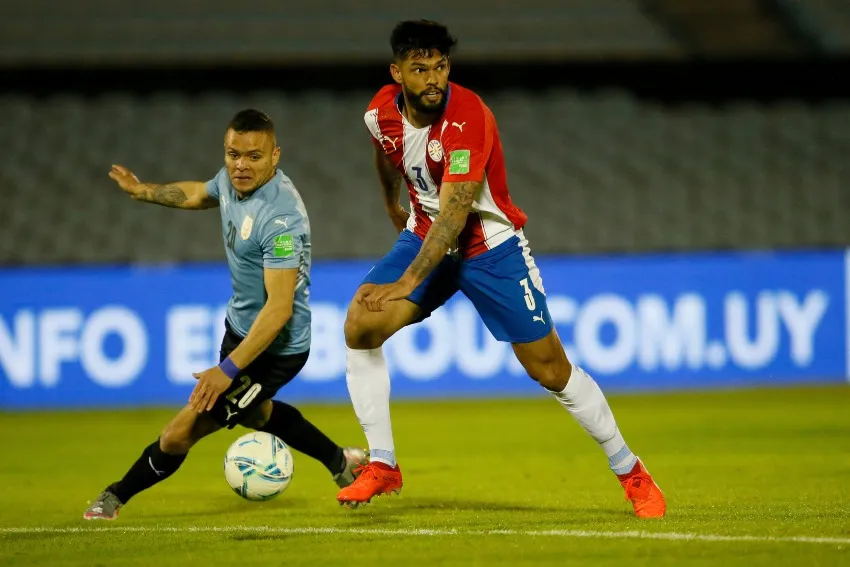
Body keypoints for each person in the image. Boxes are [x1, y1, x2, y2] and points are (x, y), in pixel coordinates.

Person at [336, 20, 666, 518]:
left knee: (550, 369)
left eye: (440, 67)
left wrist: (406, 282)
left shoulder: (467, 116)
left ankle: (632, 472)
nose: (433, 79)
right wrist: (391, 202)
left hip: (487, 247)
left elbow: (454, 215)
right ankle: (383, 463)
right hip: (424, 235)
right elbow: (387, 154)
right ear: (396, 72)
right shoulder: (379, 112)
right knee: (359, 326)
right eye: (420, 68)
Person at [83, 109, 368, 520]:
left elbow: (279, 308)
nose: (240, 165)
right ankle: (342, 462)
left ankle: (113, 498)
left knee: (181, 430)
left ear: (275, 157)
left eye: (253, 156)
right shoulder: (233, 182)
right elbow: (201, 191)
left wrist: (228, 370)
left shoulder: (281, 219)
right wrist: (145, 191)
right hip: (239, 329)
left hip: (276, 347)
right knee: (257, 412)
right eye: (233, 154)